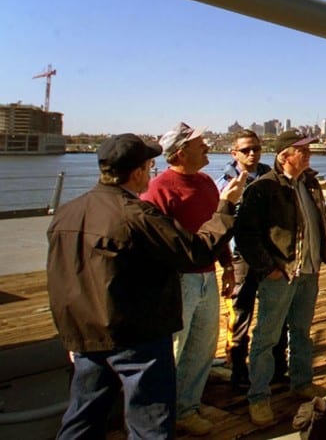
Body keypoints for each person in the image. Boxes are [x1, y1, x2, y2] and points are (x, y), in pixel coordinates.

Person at [47, 133, 243, 439]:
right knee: (150, 423)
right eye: (148, 166)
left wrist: (70, 335)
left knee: (82, 417)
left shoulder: (67, 212)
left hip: (86, 335)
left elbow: (59, 278)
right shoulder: (136, 215)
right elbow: (194, 253)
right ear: (137, 172)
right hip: (136, 338)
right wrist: (225, 208)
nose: (151, 172)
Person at [235, 129, 326, 427]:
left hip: (308, 272)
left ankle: (301, 381)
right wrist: (270, 268)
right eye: (301, 150)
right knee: (266, 337)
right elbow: (245, 234)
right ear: (284, 156)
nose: (308, 154)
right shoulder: (264, 188)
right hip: (282, 275)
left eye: (308, 149)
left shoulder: (309, 183)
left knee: (302, 331)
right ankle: (259, 397)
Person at [141, 122, 233, 436]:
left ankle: (188, 405)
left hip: (208, 276)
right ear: (181, 153)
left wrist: (227, 267)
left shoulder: (207, 182)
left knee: (203, 344)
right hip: (179, 280)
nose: (207, 146)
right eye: (200, 144)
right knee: (175, 348)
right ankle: (165, 412)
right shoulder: (159, 189)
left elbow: (216, 228)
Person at [214, 130, 287, 392]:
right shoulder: (224, 182)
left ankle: (279, 367)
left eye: (256, 148)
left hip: (272, 255)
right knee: (241, 315)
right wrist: (226, 266)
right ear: (234, 153)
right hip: (241, 257)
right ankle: (238, 371)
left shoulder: (270, 176)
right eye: (245, 150)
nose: (252, 153)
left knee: (277, 313)